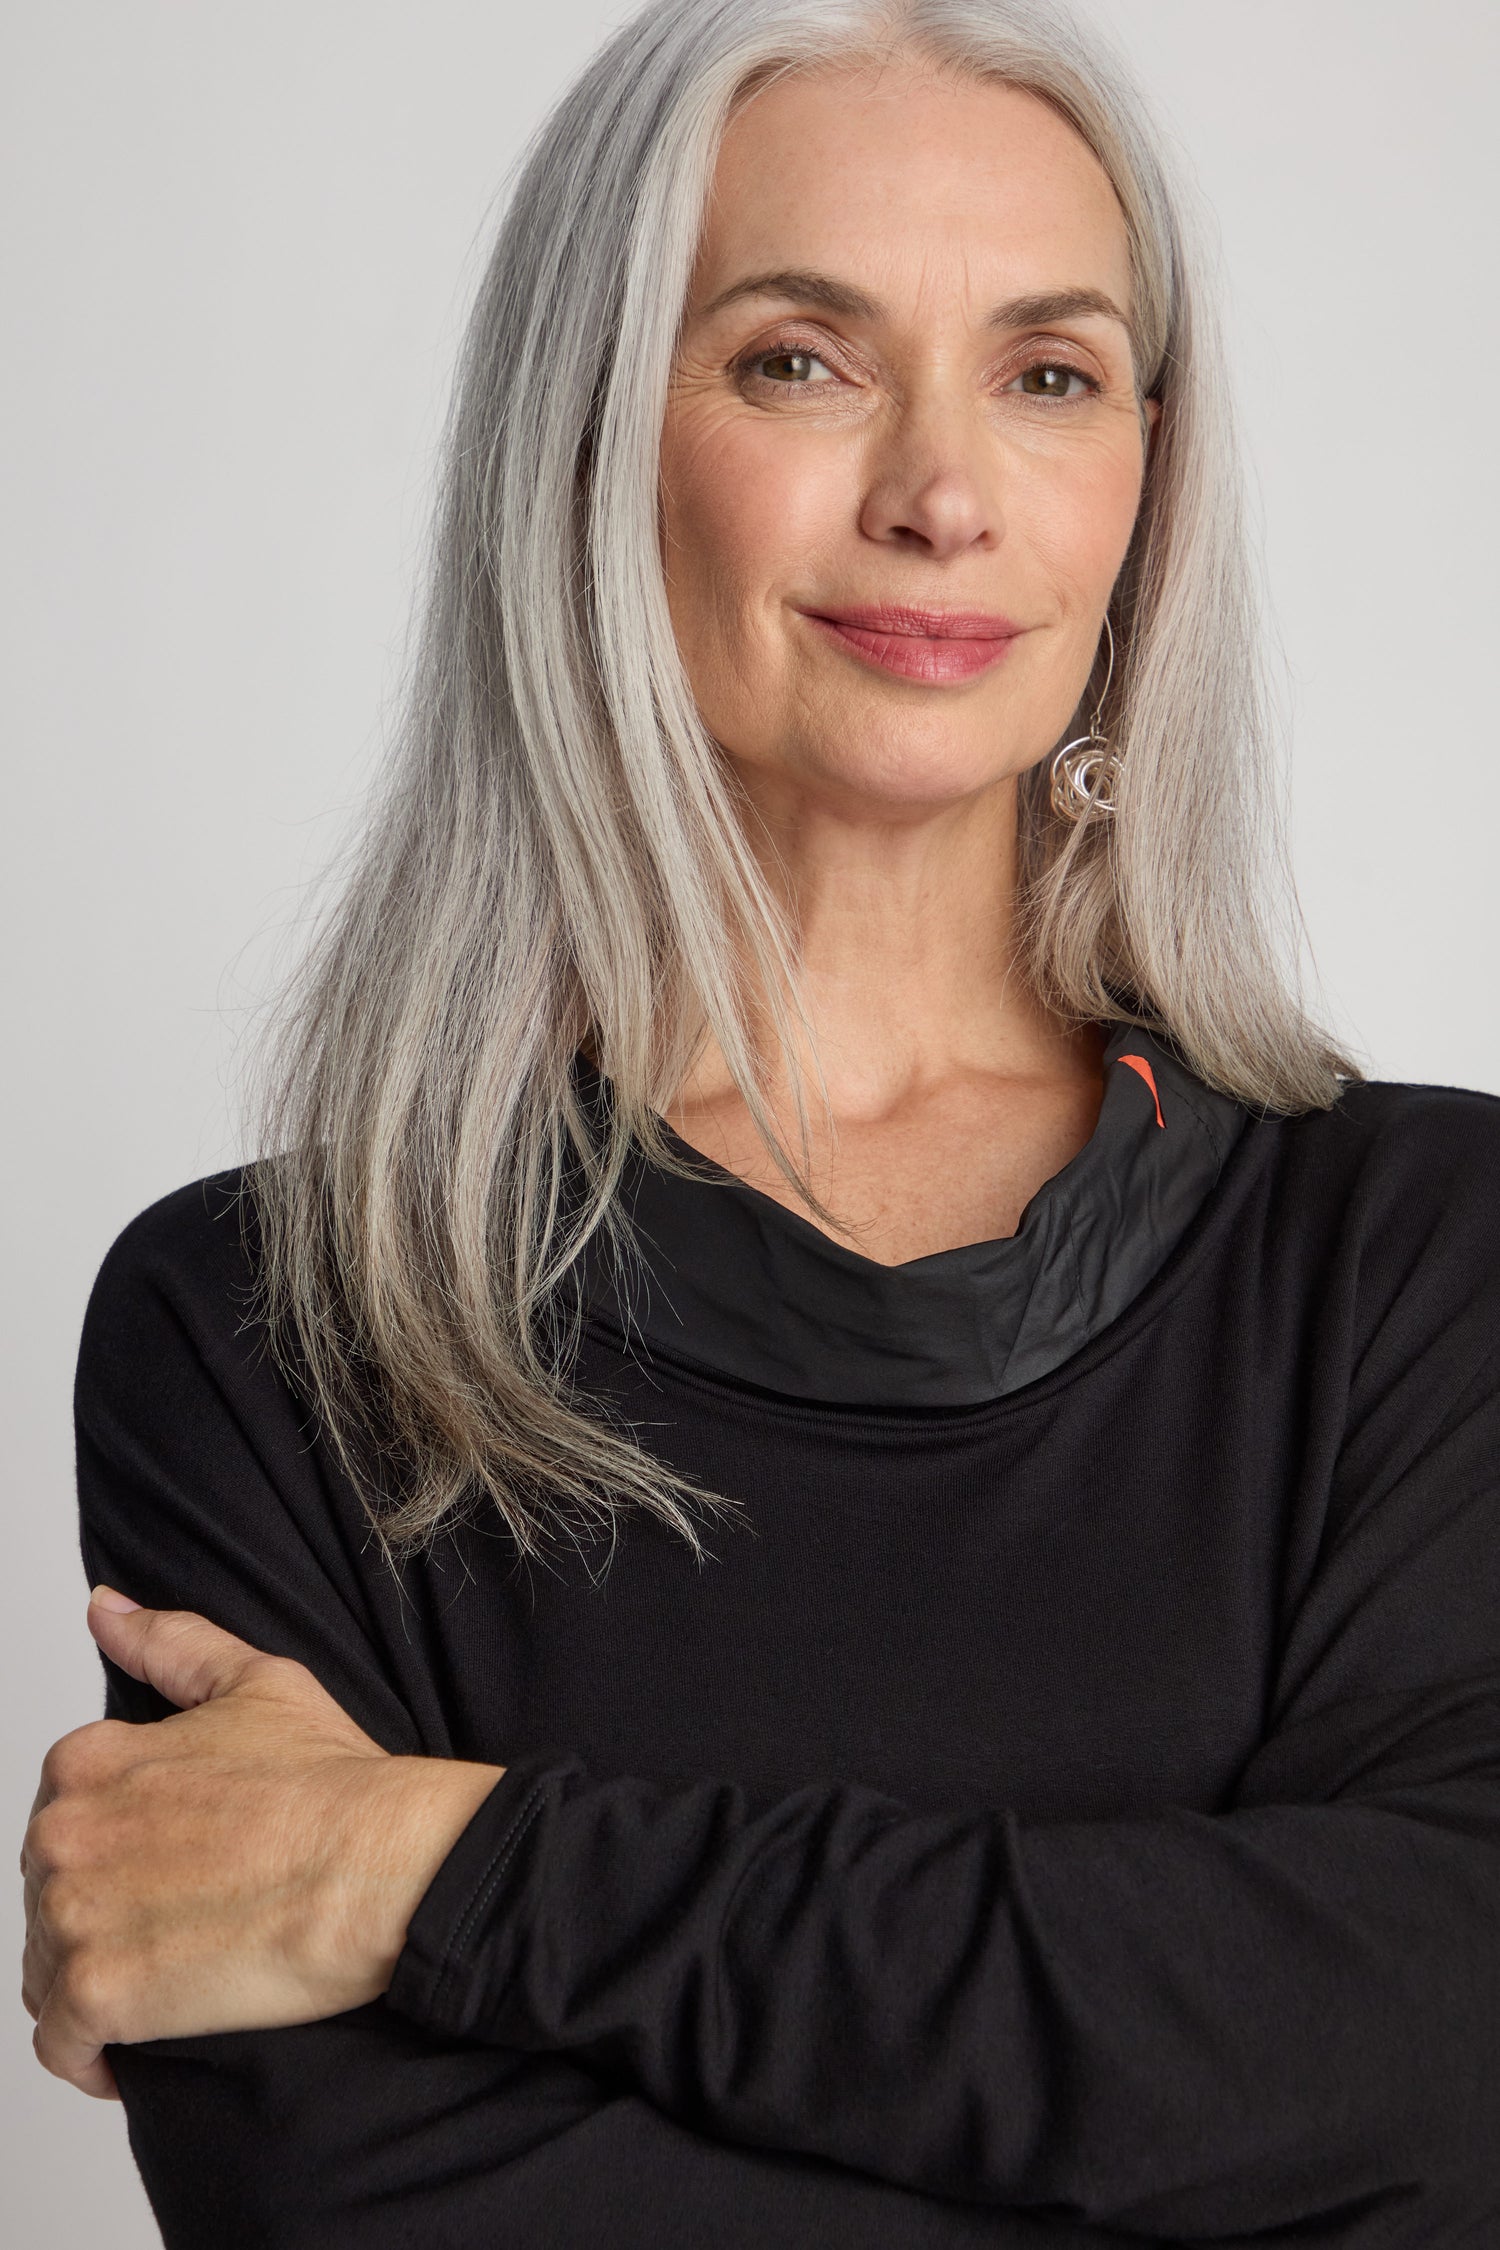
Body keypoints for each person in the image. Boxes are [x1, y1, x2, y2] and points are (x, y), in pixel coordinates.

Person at [21, 1, 1500, 2244]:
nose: (942, 491)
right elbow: (368, 2210)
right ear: (593, 442)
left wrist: (432, 1864)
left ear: (1145, 484)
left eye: (1051, 372)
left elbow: (1450, 2050)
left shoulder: (1430, 1254)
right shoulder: (275, 1326)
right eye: (801, 358)